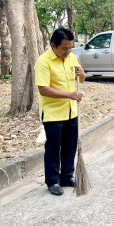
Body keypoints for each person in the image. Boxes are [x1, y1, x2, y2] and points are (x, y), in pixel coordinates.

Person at [34, 27, 86, 196]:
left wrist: (82, 73)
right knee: (53, 148)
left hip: (72, 111)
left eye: (70, 48)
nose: (68, 51)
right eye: (64, 48)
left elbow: (81, 79)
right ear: (53, 45)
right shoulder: (43, 61)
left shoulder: (72, 58)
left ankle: (67, 177)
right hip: (53, 113)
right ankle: (53, 181)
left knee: (70, 146)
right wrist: (69, 95)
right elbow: (43, 89)